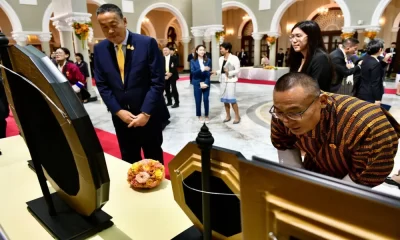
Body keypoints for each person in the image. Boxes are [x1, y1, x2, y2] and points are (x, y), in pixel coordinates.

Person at [270, 72, 400, 187]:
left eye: (295, 112)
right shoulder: (282, 114)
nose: (285, 121)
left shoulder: (366, 125)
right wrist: (298, 183)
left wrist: (332, 198)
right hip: (313, 170)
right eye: (279, 112)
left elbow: (366, 175)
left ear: (322, 101)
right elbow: (284, 146)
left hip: (353, 182)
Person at [94, 4, 166, 164]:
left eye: (113, 25)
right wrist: (118, 111)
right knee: (129, 158)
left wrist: (145, 113)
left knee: (153, 157)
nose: (110, 31)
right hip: (121, 117)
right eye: (104, 27)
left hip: (148, 115)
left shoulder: (147, 43)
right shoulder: (100, 49)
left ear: (124, 21)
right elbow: (102, 85)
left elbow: (157, 82)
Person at [288, 20, 334, 92]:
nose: (294, 40)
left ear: (311, 37)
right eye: (292, 36)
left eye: (298, 36)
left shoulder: (320, 58)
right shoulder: (299, 57)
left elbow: (316, 89)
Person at [355, 39, 392, 104]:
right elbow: (375, 83)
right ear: (380, 50)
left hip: (363, 90)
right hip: (370, 94)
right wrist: (377, 99)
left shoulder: (366, 59)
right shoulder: (375, 63)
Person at [212, 42, 241, 124]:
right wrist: (216, 72)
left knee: (232, 99)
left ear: (227, 49)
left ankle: (237, 116)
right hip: (223, 80)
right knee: (225, 100)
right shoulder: (220, 59)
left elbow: (238, 70)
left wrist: (230, 72)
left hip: (231, 80)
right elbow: (221, 70)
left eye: (222, 48)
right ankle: (228, 115)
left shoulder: (234, 58)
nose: (220, 50)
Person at [190, 45, 212, 123]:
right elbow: (193, 73)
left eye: (203, 50)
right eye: (200, 50)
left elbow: (208, 73)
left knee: (206, 99)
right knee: (198, 100)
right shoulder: (193, 61)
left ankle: (206, 115)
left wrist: (206, 83)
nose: (202, 51)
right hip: (196, 82)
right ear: (196, 51)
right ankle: (199, 115)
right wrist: (202, 69)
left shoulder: (208, 60)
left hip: (206, 82)